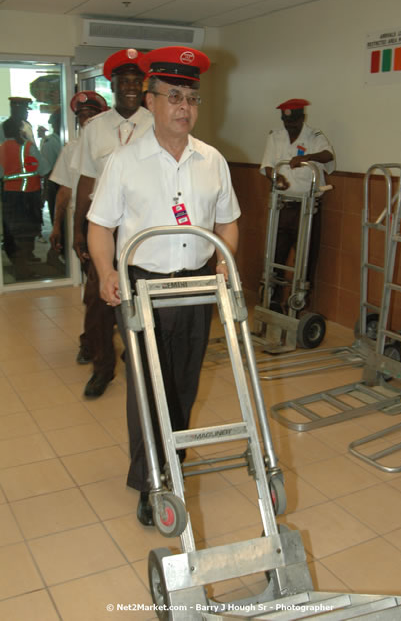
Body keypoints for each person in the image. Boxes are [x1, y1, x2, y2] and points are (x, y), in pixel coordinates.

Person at [87, 45, 241, 526]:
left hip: (195, 286)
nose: (184, 106)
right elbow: (99, 227)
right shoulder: (124, 161)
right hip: (143, 286)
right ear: (150, 101)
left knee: (184, 380)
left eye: (192, 97)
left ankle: (175, 463)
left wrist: (221, 259)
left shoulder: (212, 160)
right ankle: (151, 480)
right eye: (173, 95)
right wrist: (107, 272)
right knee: (146, 388)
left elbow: (228, 221)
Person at [71, 48, 153, 398]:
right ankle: (102, 367)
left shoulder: (156, 123)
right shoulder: (95, 128)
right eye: (124, 81)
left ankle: (141, 361)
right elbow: (86, 183)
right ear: (113, 85)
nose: (131, 87)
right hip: (105, 227)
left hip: (147, 227)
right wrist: (78, 228)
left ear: (144, 85)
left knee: (144, 295)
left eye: (137, 81)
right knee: (99, 300)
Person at [260, 98, 335, 311]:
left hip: (307, 209)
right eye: (286, 122)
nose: (289, 126)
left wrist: (307, 158)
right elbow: (267, 166)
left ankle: (300, 301)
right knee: (276, 254)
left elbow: (328, 155)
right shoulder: (275, 136)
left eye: (293, 122)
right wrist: (277, 179)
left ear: (303, 118)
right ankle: (272, 300)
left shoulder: (314, 136)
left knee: (306, 257)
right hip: (282, 207)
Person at [49, 92, 108, 359]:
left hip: (119, 225)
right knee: (95, 292)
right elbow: (64, 191)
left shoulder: (119, 144)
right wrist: (57, 227)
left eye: (91, 115)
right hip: (86, 224)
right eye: (81, 117)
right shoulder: (71, 149)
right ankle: (91, 346)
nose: (86, 121)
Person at [0, 114, 49, 280]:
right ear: (20, 130)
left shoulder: (1, 148)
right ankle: (24, 270)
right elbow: (43, 168)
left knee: (13, 232)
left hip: (9, 196)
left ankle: (21, 264)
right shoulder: (27, 147)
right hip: (28, 196)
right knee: (27, 233)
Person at [41, 109, 62, 224]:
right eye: (58, 121)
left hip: (65, 184)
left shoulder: (64, 139)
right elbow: (48, 171)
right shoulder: (50, 142)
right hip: (55, 185)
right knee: (57, 218)